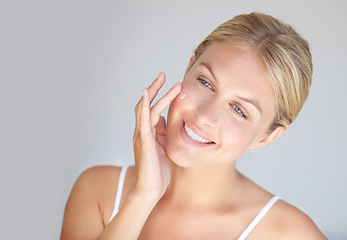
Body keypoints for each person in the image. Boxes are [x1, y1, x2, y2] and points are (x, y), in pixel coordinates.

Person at [60, 12, 327, 239]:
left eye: (239, 110)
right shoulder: (97, 190)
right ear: (189, 68)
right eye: (206, 82)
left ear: (267, 137)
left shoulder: (290, 234)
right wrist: (143, 197)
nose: (205, 116)